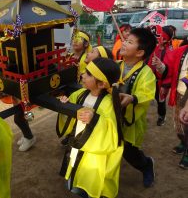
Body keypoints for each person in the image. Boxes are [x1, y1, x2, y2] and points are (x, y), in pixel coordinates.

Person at [58, 58, 124, 198]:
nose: (82, 74)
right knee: (77, 173)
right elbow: (71, 106)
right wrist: (66, 105)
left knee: (91, 180)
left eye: (88, 74)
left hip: (95, 153)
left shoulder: (108, 103)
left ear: (101, 83)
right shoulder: (81, 94)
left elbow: (111, 131)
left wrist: (95, 120)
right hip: (78, 144)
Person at [118, 28, 157, 187]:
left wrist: (133, 98)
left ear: (140, 53)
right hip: (111, 117)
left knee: (129, 153)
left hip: (130, 121)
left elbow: (146, 93)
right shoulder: (116, 65)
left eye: (129, 42)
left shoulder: (146, 73)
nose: (124, 43)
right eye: (125, 40)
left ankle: (146, 164)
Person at [163, 42, 188, 169]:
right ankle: (184, 142)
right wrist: (161, 67)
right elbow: (170, 68)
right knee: (179, 123)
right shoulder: (182, 50)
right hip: (180, 92)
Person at [147, 26, 173, 126]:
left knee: (160, 100)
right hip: (152, 79)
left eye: (162, 36)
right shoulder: (156, 48)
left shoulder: (170, 51)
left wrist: (165, 85)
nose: (160, 37)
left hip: (162, 81)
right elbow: (150, 62)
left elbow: (170, 70)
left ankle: (162, 116)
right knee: (152, 96)